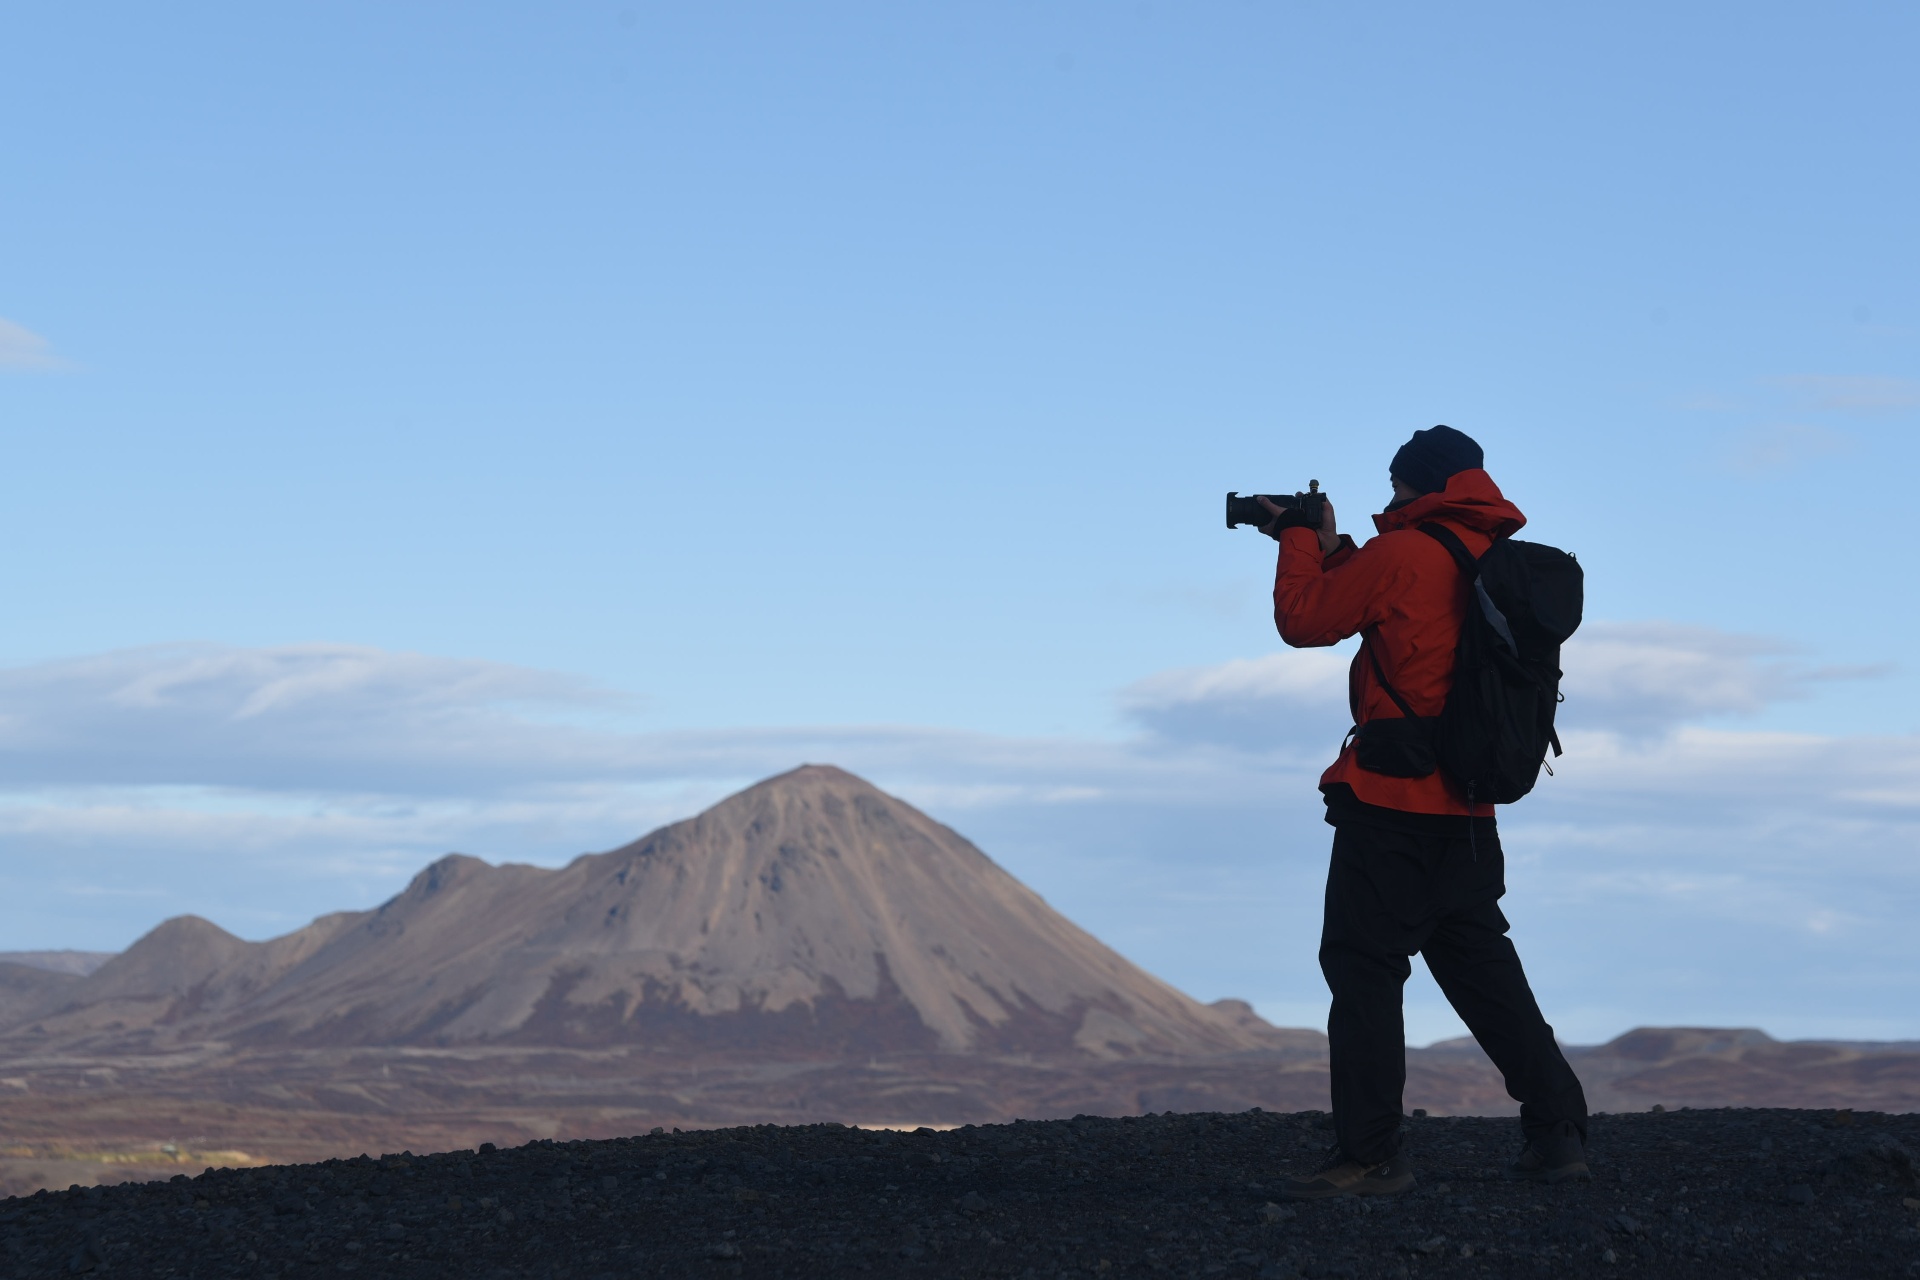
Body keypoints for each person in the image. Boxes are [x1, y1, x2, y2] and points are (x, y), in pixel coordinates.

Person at [1260, 425, 1589, 1199]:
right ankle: (1559, 1133)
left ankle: (1371, 1155)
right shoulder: (1489, 557)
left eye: (1397, 482)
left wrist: (1299, 539)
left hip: (1392, 801)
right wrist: (1340, 549)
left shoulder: (1404, 552)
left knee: (1364, 967)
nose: (1390, 494)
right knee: (1482, 971)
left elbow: (1305, 620)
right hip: (1471, 808)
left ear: (1419, 483)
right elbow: (1406, 621)